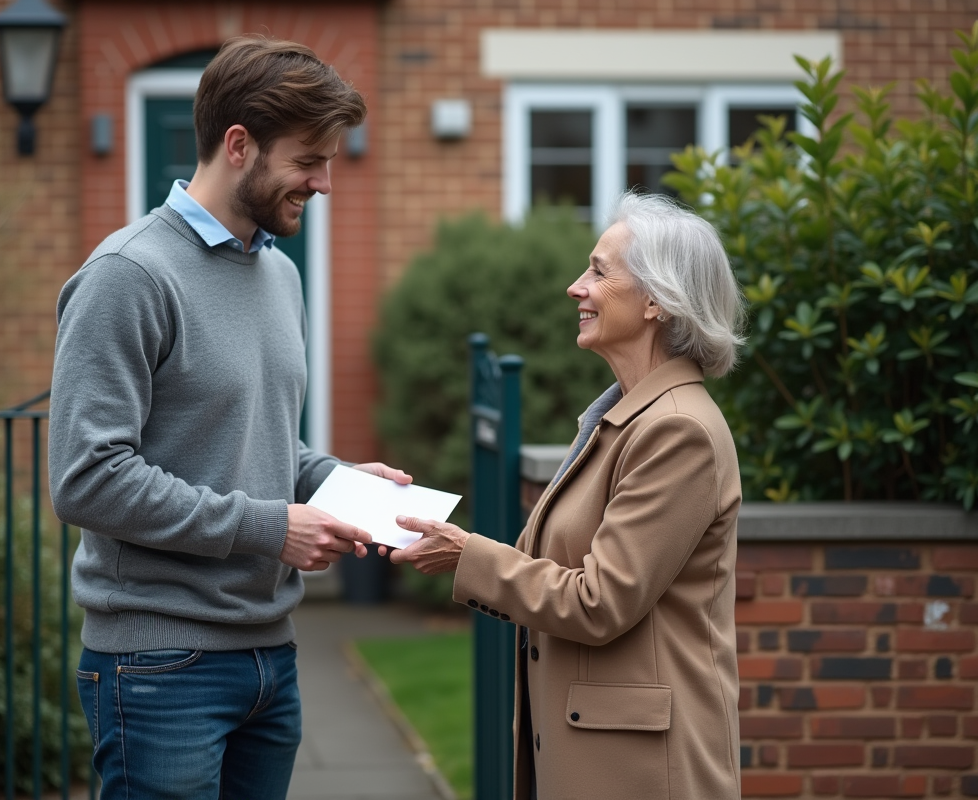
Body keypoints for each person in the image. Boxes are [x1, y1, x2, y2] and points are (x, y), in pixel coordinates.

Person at [48, 36, 409, 799]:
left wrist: (335, 480)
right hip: (158, 666)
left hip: (270, 658)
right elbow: (86, 479)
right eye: (309, 160)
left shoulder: (279, 274)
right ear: (239, 145)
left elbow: (261, 442)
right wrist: (273, 527)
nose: (325, 182)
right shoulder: (128, 276)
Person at [387, 191, 745, 799]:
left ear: (658, 300)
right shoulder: (622, 419)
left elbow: (600, 601)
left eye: (600, 272)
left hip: (644, 773)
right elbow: (552, 569)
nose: (576, 288)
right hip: (600, 755)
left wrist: (465, 555)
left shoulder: (677, 430)